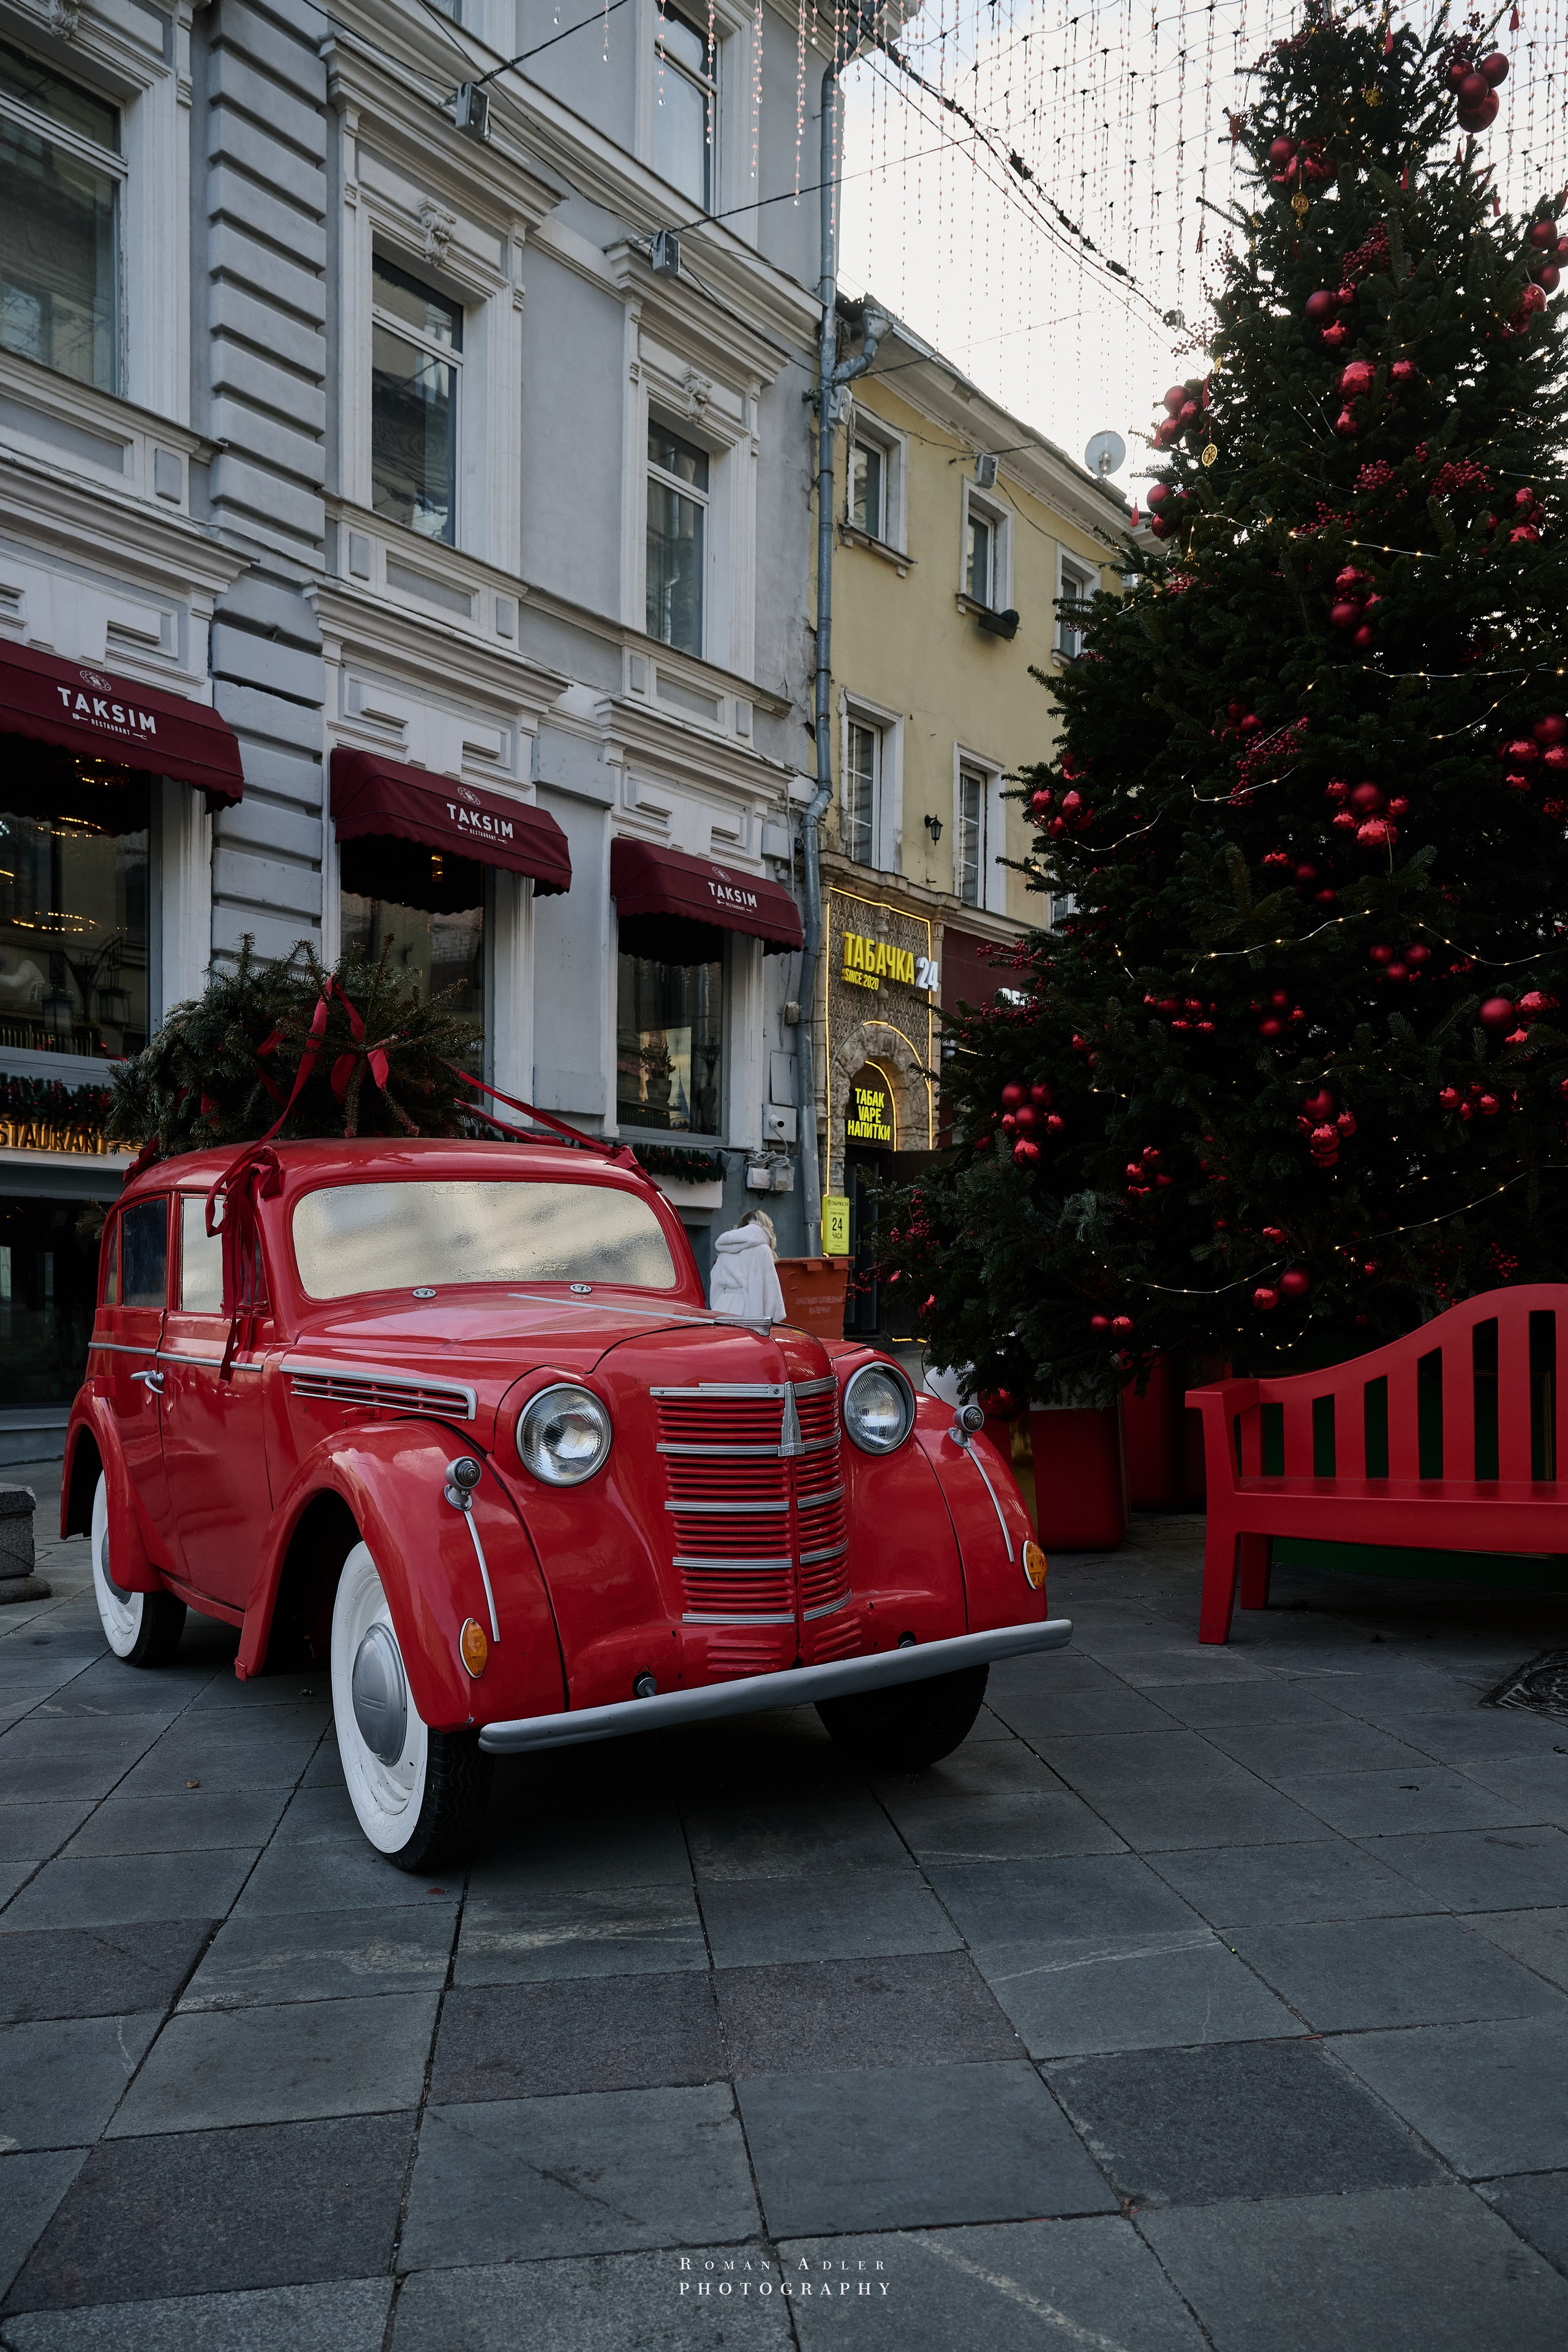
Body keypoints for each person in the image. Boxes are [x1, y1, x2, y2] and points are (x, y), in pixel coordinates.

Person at [708, 1208, 785, 1322]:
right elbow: (771, 1294)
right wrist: (771, 1318)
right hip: (747, 1313)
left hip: (721, 1310)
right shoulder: (762, 1250)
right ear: (766, 1227)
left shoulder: (725, 1249)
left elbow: (715, 1287)